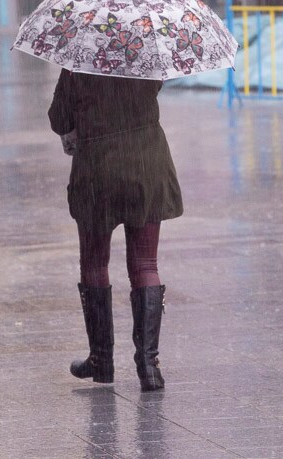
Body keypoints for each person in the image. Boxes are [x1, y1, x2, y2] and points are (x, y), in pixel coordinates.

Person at [48, 69, 183, 392]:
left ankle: (101, 361)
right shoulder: (146, 57)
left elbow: (59, 118)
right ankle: (149, 366)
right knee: (146, 265)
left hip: (97, 167)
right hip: (146, 163)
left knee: (95, 263)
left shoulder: (80, 62)